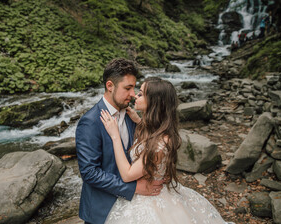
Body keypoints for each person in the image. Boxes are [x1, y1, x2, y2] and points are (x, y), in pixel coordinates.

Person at [100, 77, 230, 223]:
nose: (135, 95)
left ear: (154, 102)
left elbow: (128, 175)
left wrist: (115, 136)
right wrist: (139, 121)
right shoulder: (158, 129)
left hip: (151, 200)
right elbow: (152, 134)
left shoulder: (160, 144)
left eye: (141, 94)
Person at [76, 58, 164, 224]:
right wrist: (135, 188)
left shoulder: (132, 115)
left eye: (134, 87)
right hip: (101, 211)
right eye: (128, 88)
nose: (133, 94)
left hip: (133, 209)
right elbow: (89, 172)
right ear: (110, 86)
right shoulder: (90, 121)